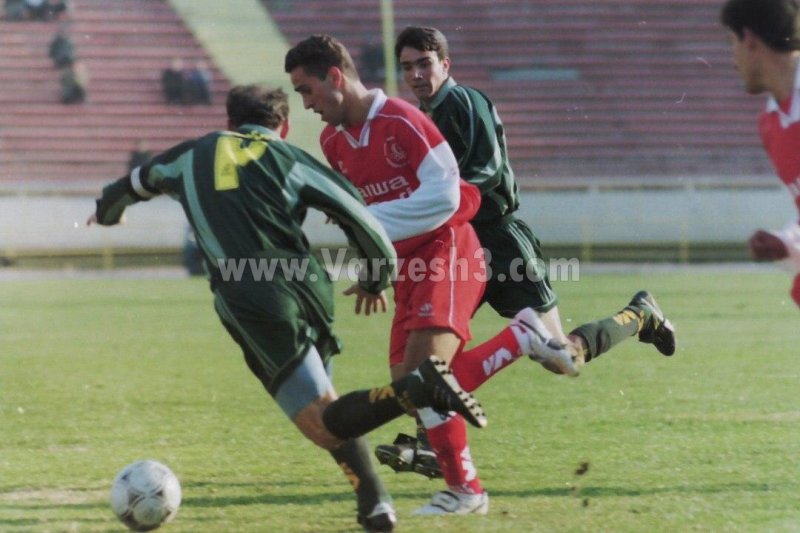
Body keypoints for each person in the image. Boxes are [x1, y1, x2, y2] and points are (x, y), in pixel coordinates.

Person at [86, 84, 490, 533]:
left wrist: (107, 211)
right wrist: (376, 278)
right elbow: (364, 221)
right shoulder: (292, 159)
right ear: (285, 126)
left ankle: (416, 389)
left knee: (322, 423)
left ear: (229, 123)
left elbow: (132, 184)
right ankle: (374, 507)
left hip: (253, 297)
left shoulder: (192, 155)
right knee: (330, 411)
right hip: (310, 289)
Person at [285, 34, 577, 517]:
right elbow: (370, 218)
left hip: (450, 250)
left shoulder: (403, 119)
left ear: (334, 78)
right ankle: (466, 491)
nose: (307, 104)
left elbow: (446, 197)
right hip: (409, 270)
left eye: (307, 91)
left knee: (424, 379)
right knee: (407, 386)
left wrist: (368, 222)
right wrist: (376, 273)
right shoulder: (332, 142)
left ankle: (522, 340)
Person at [376, 25, 679, 480]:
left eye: (424, 63)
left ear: (445, 64)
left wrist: (436, 208)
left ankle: (640, 315)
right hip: (458, 245)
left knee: (560, 358)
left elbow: (488, 167)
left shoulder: (462, 102)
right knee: (431, 352)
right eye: (407, 67)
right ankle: (432, 447)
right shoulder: (425, 116)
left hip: (497, 239)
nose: (416, 74)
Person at [721, 0, 800, 308]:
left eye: (732, 43)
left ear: (749, 39)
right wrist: (786, 243)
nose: (733, 60)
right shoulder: (772, 125)